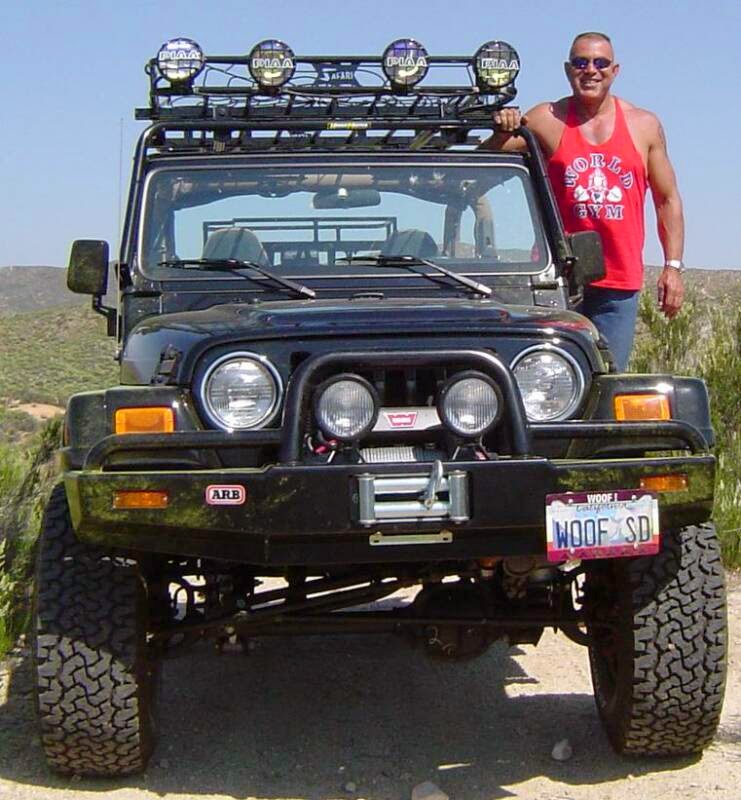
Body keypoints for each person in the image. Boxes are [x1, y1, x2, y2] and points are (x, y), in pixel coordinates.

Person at [483, 32, 685, 371]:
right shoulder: (547, 119)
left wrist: (673, 267)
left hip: (618, 284)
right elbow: (485, 162)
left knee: (608, 378)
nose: (590, 70)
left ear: (614, 70)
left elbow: (667, 199)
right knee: (547, 376)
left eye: (600, 63)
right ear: (568, 69)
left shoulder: (643, 126)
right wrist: (503, 129)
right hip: (558, 281)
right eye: (581, 62)